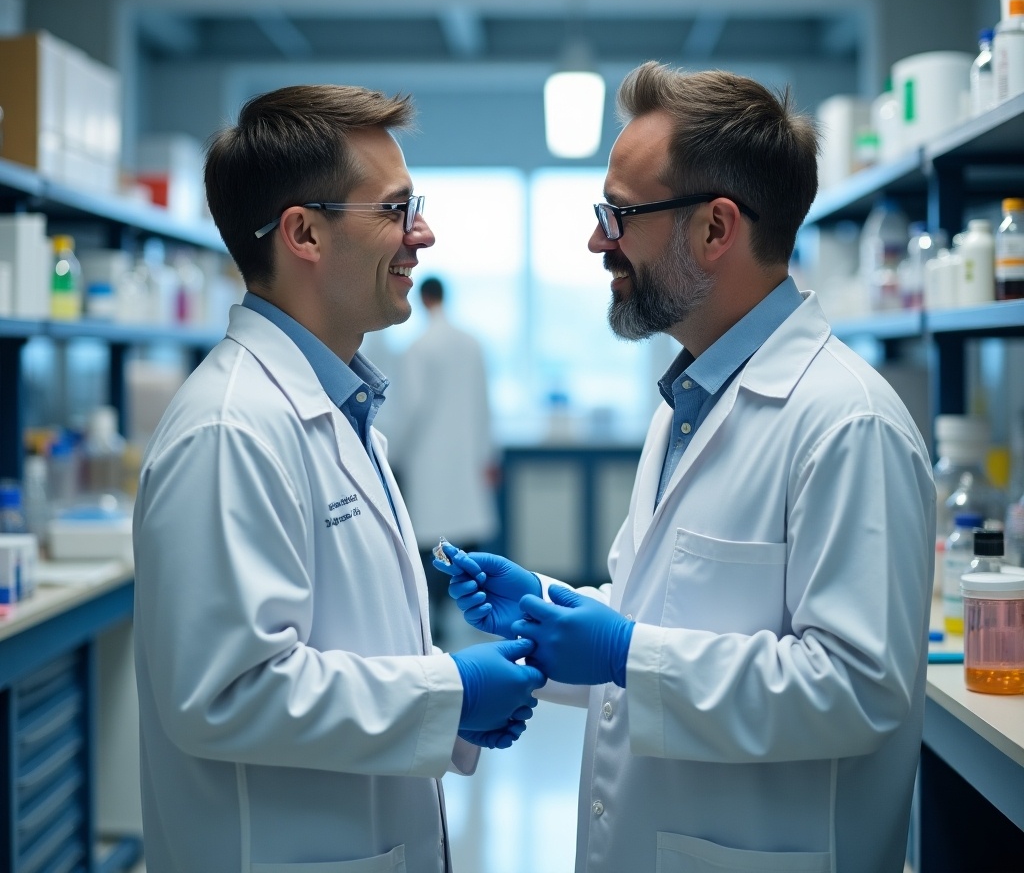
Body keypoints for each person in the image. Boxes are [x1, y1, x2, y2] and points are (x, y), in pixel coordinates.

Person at [436, 63, 935, 872]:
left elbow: (855, 693)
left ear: (714, 228)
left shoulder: (847, 423)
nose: (599, 241)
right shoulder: (687, 401)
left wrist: (623, 650)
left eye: (620, 215)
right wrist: (551, 611)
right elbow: (664, 619)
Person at [132, 84, 545, 873]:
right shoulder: (231, 428)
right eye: (395, 209)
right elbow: (228, 695)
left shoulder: (341, 412)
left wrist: (449, 712)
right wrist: (450, 689)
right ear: (305, 234)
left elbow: (354, 647)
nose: (422, 232)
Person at [386, 276, 498, 636]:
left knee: (430, 547)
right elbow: (484, 406)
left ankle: (433, 626)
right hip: (466, 455)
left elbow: (411, 409)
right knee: (467, 544)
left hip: (428, 460)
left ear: (422, 299)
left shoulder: (417, 348)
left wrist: (394, 453)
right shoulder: (472, 344)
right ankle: (478, 618)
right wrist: (488, 455)